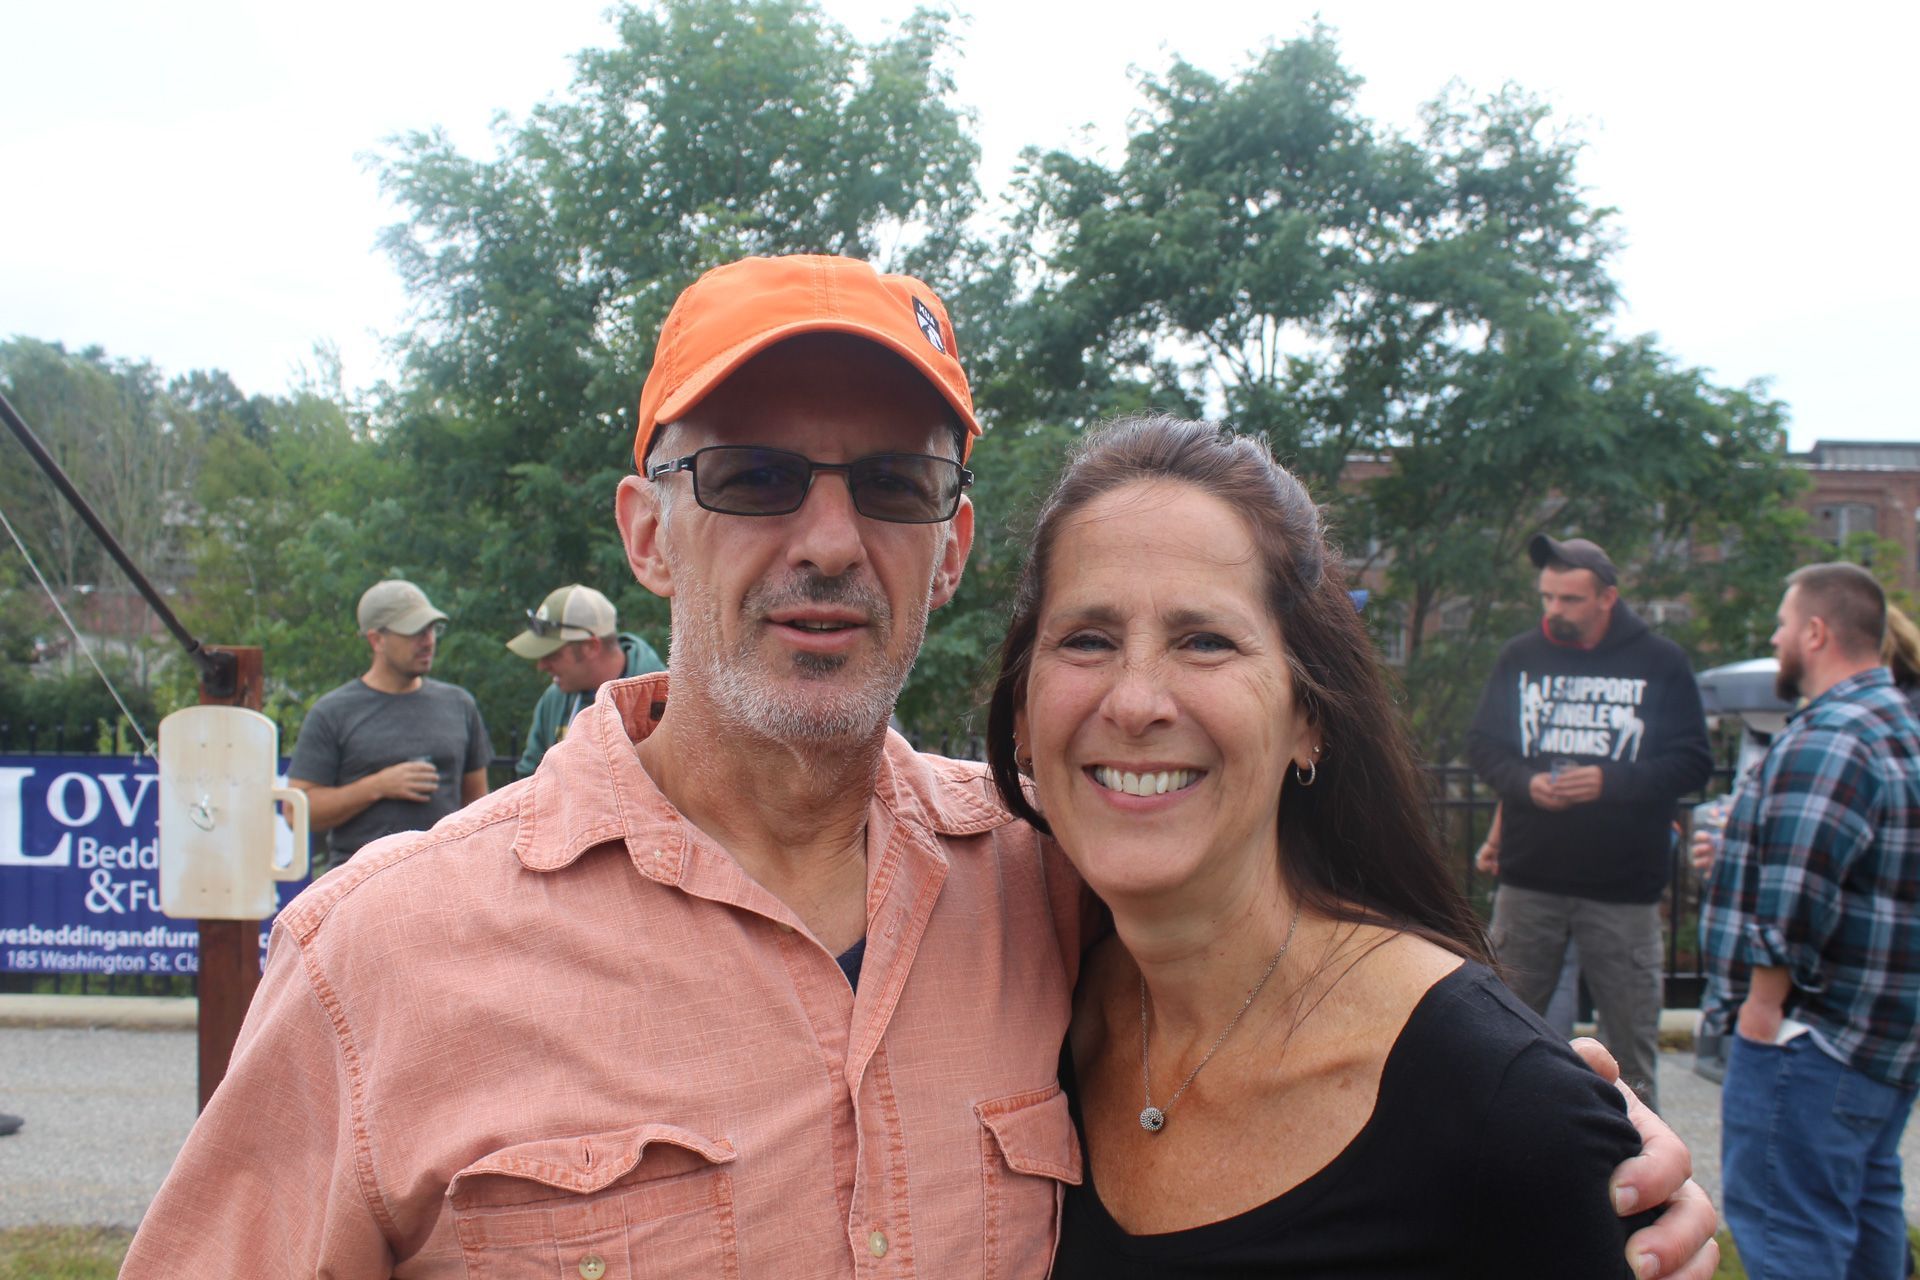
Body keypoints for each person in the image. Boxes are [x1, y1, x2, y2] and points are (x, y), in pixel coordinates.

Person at [121, 255, 1714, 1278]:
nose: (827, 539)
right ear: (646, 524)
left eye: (890, 482)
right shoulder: (386, 955)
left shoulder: (1050, 887)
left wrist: (1566, 1139)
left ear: (946, 550)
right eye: (750, 475)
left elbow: (1312, 1023)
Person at [986, 416, 1696, 1277]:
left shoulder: (1499, 1103)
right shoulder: (1028, 996)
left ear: (1309, 720)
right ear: (1024, 717)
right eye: (1087, 640)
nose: (1136, 702)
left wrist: (1558, 1121)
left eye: (1205, 640)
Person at [1701, 562, 1920, 1279]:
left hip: (1806, 1038)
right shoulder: (1898, 725)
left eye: (1783, 625)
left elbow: (1801, 887)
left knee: (1786, 1229)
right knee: (1864, 1219)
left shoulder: (1828, 735)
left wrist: (1763, 1007)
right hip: (1880, 1036)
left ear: (1816, 632)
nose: (1777, 638)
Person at [1466, 534, 1713, 1111]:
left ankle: (1640, 1167)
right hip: (1529, 884)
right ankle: (1502, 1148)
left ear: (1607, 597)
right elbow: (1482, 746)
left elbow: (1695, 762)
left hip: (1623, 893)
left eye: (1570, 599)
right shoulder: (1520, 656)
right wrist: (1525, 783)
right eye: (1547, 598)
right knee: (1498, 1031)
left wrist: (1610, 782)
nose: (1554, 611)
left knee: (1629, 1048)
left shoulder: (1660, 663)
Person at [286, 579, 493, 865]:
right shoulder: (333, 712)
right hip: (360, 886)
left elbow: (478, 808)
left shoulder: (459, 705)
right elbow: (295, 812)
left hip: (443, 885)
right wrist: (378, 786)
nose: (429, 641)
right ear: (376, 640)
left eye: (432, 629)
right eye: (415, 632)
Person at [506, 582, 664, 776]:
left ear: (591, 647)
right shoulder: (554, 698)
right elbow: (528, 780)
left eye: (552, 655)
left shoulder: (661, 702)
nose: (541, 665)